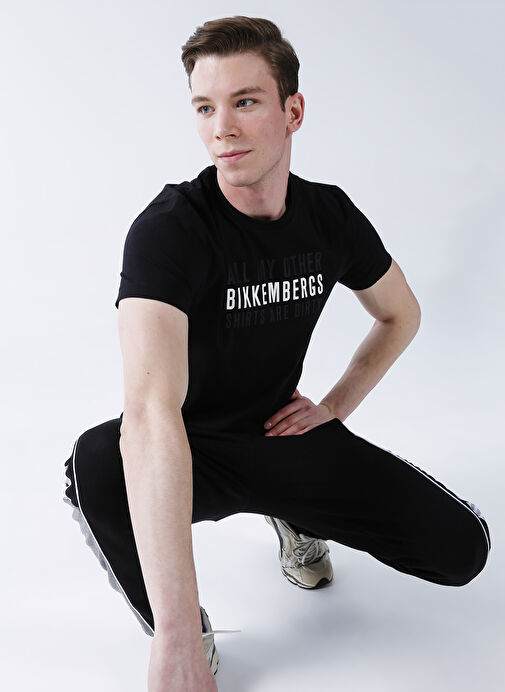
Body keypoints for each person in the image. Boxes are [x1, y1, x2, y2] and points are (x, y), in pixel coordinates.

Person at [62, 15, 491, 692]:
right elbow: (148, 412)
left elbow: (399, 314)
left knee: (462, 550)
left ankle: (292, 514)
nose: (222, 129)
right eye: (205, 108)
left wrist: (334, 407)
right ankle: (182, 628)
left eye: (245, 101)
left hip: (277, 435)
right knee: (95, 464)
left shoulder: (329, 217)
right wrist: (176, 640)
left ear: (293, 112)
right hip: (188, 451)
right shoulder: (169, 231)